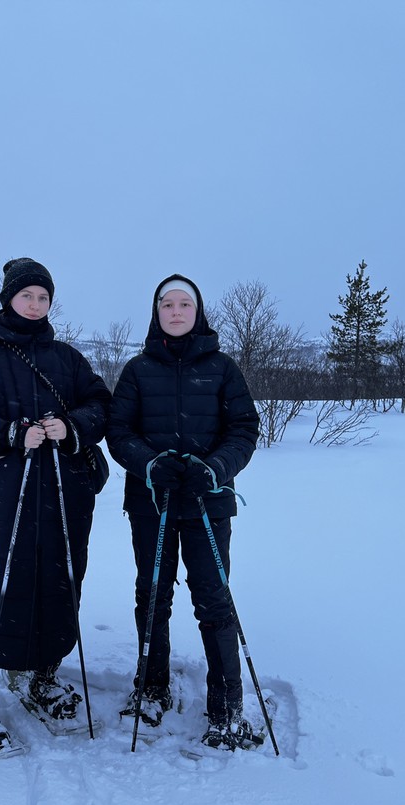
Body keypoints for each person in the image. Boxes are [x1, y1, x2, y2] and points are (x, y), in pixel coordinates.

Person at [0, 257, 111, 755]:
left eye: (43, 298)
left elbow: (102, 405)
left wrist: (71, 426)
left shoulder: (66, 357)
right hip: (5, 493)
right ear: (8, 300)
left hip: (63, 495)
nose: (35, 305)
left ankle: (41, 677)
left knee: (59, 583)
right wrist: (9, 433)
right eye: (26, 296)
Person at [106, 274, 261, 750]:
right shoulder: (136, 370)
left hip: (206, 501)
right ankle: (151, 689)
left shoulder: (222, 368)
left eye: (184, 304)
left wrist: (214, 469)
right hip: (152, 501)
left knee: (213, 599)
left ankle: (227, 706)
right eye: (166, 304)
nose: (175, 312)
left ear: (198, 312)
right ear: (156, 312)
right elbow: (119, 431)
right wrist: (150, 464)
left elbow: (243, 428)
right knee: (152, 596)